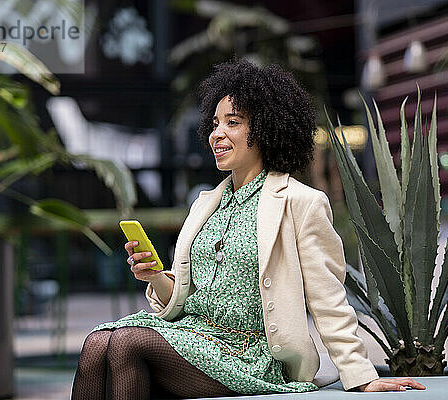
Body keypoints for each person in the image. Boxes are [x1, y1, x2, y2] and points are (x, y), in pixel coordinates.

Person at [71, 59, 425, 399]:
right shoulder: (205, 204)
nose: (217, 134)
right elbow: (184, 298)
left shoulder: (301, 202)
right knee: (98, 343)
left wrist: (362, 377)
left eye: (233, 122)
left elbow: (329, 298)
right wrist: (154, 277)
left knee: (125, 344)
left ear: (266, 128)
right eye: (214, 124)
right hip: (191, 335)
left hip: (250, 354)